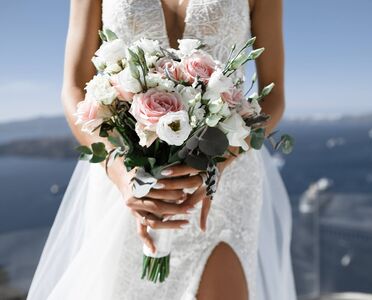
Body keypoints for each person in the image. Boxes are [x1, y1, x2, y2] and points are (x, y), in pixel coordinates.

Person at [28, 0, 296, 299]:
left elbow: (274, 97)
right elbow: (74, 87)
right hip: (128, 176)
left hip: (225, 181)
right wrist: (123, 175)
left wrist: (217, 163)